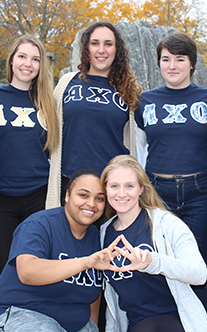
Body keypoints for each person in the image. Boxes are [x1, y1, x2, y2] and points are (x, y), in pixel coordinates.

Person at [135, 32, 207, 310]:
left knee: (194, 267)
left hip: (199, 193)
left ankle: (196, 329)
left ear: (191, 64)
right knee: (158, 264)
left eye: (180, 59)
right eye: (166, 59)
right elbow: (138, 150)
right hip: (157, 194)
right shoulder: (145, 101)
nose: (172, 66)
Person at [0, 170, 121, 332]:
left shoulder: (97, 238)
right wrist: (84, 262)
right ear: (67, 196)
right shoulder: (40, 224)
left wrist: (92, 330)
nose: (91, 204)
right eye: (83, 195)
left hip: (75, 327)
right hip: (23, 314)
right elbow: (27, 272)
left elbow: (94, 294)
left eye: (99, 198)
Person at [100, 155, 207, 332]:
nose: (121, 193)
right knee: (141, 331)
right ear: (105, 189)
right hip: (135, 329)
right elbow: (112, 303)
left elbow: (199, 273)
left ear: (141, 189)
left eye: (129, 186)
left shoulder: (165, 224)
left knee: (146, 331)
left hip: (174, 326)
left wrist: (154, 262)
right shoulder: (103, 234)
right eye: (114, 186)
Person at [0, 35, 59, 285]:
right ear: (12, 61)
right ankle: (1, 321)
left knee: (35, 269)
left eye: (35, 59)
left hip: (37, 196)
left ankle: (34, 322)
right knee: (4, 269)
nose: (28, 64)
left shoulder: (48, 103)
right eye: (22, 57)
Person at [46, 22, 142, 210]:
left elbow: (141, 138)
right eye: (95, 43)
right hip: (71, 181)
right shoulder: (67, 83)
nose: (101, 50)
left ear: (117, 50)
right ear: (86, 48)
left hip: (112, 185)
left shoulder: (128, 89)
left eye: (108, 44)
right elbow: (49, 126)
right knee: (70, 238)